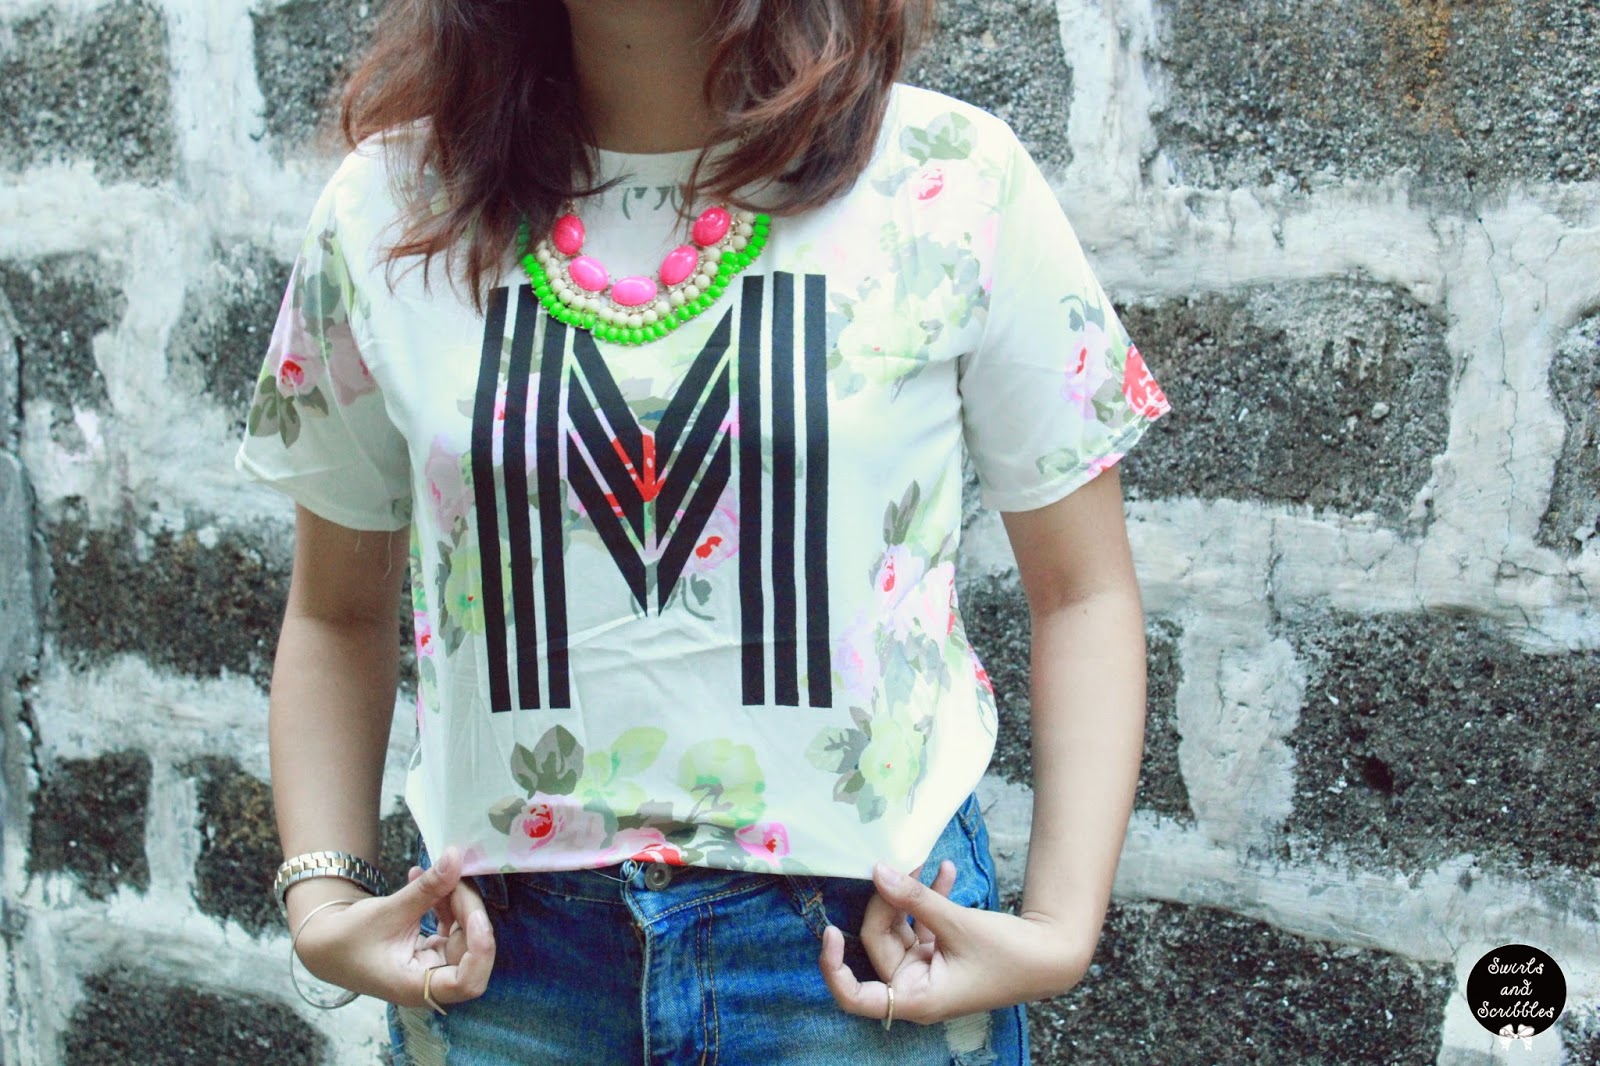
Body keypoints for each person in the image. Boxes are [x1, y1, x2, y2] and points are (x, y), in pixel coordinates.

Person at [236, 0, 1170, 1061]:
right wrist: (321, 894)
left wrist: (1059, 927)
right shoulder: (391, 207)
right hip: (503, 976)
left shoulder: (953, 179)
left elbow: (1083, 591)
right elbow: (335, 612)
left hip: (866, 959)